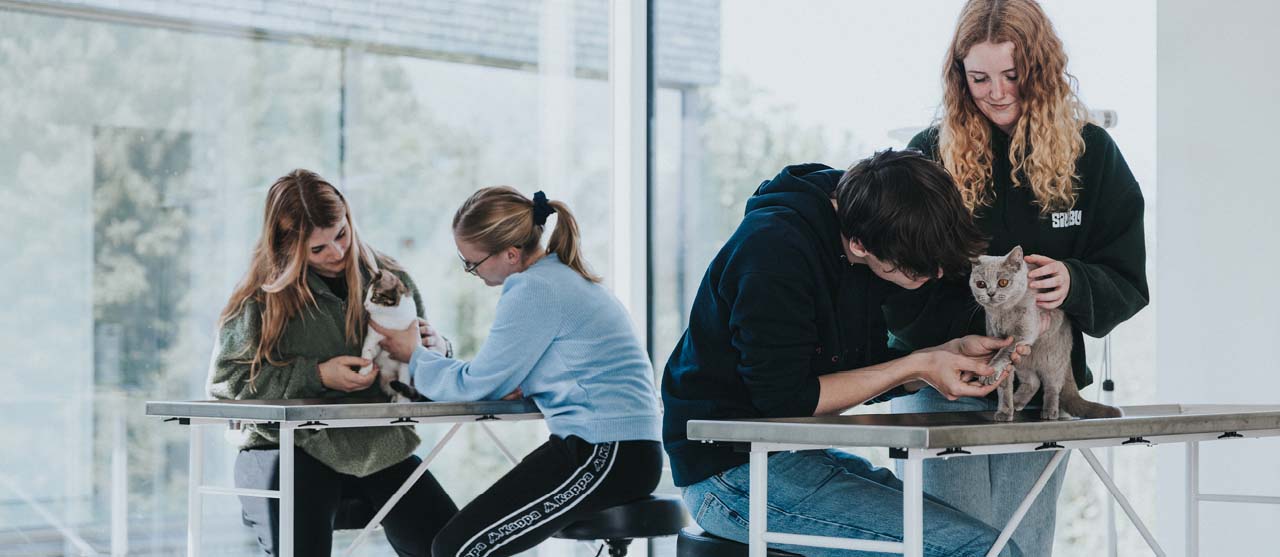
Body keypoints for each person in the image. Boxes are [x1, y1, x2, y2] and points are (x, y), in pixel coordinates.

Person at [662, 150, 1027, 557]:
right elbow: (784, 400)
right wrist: (918, 364)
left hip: (789, 455)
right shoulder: (772, 252)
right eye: (918, 268)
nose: (936, 275)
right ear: (859, 243)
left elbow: (855, 374)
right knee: (979, 551)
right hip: (727, 474)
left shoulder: (874, 223)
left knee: (989, 545)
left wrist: (939, 357)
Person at [888, 1, 1150, 555]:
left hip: (1038, 392)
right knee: (951, 545)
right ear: (959, 76)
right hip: (945, 388)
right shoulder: (928, 155)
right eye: (979, 77)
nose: (997, 92)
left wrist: (1073, 281)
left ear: (1041, 70)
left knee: (1024, 547)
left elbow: (1127, 278)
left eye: (1013, 75)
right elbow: (891, 286)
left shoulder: (1092, 155)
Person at [373, 187, 664, 557]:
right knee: (452, 545)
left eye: (471, 263)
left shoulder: (533, 288)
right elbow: (553, 368)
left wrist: (414, 355)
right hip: (613, 449)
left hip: (605, 452)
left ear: (510, 254)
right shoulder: (560, 277)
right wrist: (518, 383)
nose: (470, 273)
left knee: (458, 548)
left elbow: (476, 382)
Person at [207, 169, 457, 556]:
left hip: (377, 445)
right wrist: (318, 375)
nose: (337, 253)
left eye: (341, 235)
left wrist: (436, 350)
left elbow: (419, 374)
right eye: (317, 249)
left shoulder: (390, 279)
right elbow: (227, 384)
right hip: (287, 448)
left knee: (452, 545)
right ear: (286, 248)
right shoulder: (259, 300)